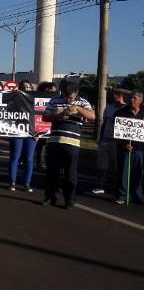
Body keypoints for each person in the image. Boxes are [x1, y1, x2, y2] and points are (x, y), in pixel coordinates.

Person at [41, 81, 95, 209]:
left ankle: (69, 200)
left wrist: (77, 109)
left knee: (70, 174)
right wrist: (59, 116)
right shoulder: (55, 100)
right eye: (65, 95)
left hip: (72, 144)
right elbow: (45, 116)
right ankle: (49, 196)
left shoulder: (83, 102)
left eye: (70, 96)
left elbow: (92, 116)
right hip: (55, 141)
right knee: (52, 172)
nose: (67, 98)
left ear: (76, 93)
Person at [93, 88, 128, 195]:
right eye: (114, 94)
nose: (114, 96)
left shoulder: (127, 109)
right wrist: (101, 138)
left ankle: (117, 187)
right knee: (102, 165)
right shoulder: (108, 108)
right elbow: (104, 123)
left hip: (118, 142)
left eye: (117, 94)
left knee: (116, 166)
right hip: (106, 140)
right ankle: (100, 185)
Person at [8, 79, 38, 192]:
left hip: (31, 132)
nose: (26, 89)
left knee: (29, 158)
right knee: (15, 157)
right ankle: (12, 182)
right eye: (24, 86)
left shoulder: (35, 100)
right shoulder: (15, 99)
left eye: (28, 86)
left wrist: (40, 132)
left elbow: (40, 116)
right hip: (17, 130)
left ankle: (26, 183)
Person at [114, 91, 144, 205]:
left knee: (139, 173)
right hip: (125, 148)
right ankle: (122, 195)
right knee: (123, 172)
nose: (131, 100)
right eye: (131, 98)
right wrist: (124, 144)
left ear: (140, 101)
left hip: (141, 149)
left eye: (134, 98)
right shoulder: (121, 112)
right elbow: (116, 132)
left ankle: (137, 195)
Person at [34, 81, 58, 170]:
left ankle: (48, 163)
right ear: (47, 89)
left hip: (50, 126)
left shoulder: (56, 100)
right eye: (53, 91)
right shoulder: (36, 97)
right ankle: (41, 163)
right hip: (39, 125)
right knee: (41, 144)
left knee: (48, 145)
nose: (55, 93)